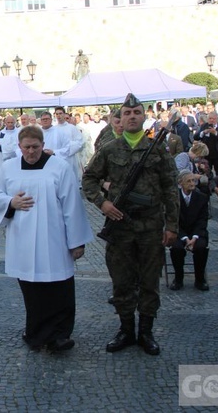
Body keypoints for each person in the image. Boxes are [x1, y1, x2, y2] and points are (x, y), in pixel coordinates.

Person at [82, 93, 179, 356]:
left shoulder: (157, 149)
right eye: (127, 113)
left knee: (149, 282)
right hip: (120, 227)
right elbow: (89, 179)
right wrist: (102, 203)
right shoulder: (109, 150)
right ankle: (126, 329)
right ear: (119, 120)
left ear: (144, 116)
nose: (132, 117)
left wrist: (172, 226)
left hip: (150, 227)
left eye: (137, 113)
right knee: (122, 282)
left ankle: (146, 332)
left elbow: (171, 188)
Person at [0, 125, 93, 352]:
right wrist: (10, 202)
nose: (31, 152)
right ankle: (35, 334)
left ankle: (60, 335)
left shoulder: (60, 167)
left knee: (59, 288)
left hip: (55, 238)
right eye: (27, 147)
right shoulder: (9, 168)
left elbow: (72, 206)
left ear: (43, 146)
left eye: (36, 147)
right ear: (19, 147)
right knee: (33, 292)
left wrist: (76, 242)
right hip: (22, 238)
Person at [168, 170, 211, 291]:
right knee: (176, 248)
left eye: (194, 180)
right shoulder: (173, 198)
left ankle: (200, 279)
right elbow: (173, 220)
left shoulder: (202, 198)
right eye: (189, 181)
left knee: (201, 247)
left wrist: (194, 237)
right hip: (179, 232)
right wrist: (185, 238)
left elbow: (203, 220)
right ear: (180, 183)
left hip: (197, 233)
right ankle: (178, 278)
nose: (192, 183)